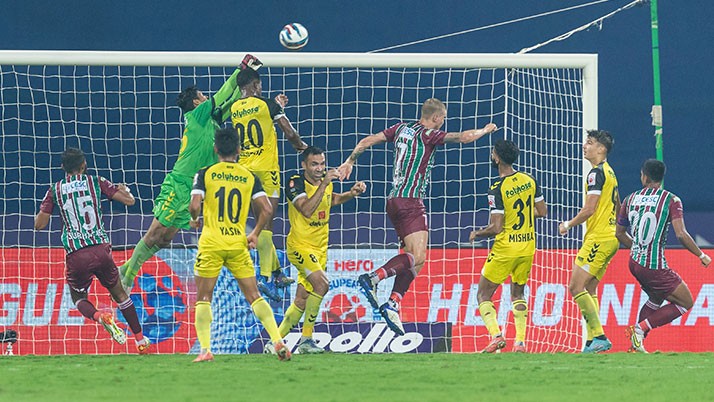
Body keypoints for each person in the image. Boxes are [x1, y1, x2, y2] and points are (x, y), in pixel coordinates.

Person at [338, 98, 497, 335]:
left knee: (415, 259)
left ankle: (393, 302)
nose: (443, 122)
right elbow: (462, 137)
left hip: (393, 201)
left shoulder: (401, 128)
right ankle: (373, 278)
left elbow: (367, 141)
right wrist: (485, 130)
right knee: (419, 256)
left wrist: (349, 161)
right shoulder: (428, 135)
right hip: (411, 202)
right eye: (442, 118)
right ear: (435, 118)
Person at [119, 54, 264, 291]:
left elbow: (230, 100)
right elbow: (223, 94)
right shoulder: (196, 116)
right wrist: (241, 68)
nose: (206, 98)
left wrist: (247, 81)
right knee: (155, 232)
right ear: (197, 103)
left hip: (195, 186)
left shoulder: (211, 121)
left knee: (165, 239)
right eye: (202, 97)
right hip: (179, 183)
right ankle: (125, 277)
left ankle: (126, 269)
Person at [189, 127, 291, 362]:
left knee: (204, 298)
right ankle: (277, 340)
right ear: (239, 150)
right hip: (237, 244)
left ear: (215, 149)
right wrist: (255, 233)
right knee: (254, 295)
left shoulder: (205, 173)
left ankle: (205, 350)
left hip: (212, 243)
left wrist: (195, 220)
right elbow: (266, 209)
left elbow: (195, 205)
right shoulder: (249, 177)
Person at [34, 148, 150, 354]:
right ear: (83, 165)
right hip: (100, 248)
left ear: (62, 167)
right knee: (121, 295)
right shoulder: (96, 181)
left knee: (79, 299)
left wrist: (47, 208)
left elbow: (39, 225)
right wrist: (124, 189)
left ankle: (99, 316)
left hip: (76, 253)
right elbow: (129, 201)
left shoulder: (55, 190)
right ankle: (140, 341)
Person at [270, 146, 366, 354]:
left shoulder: (326, 183)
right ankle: (306, 340)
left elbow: (331, 200)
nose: (319, 168)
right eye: (314, 164)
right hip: (299, 247)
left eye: (322, 164)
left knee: (302, 299)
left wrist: (351, 193)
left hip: (320, 248)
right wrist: (324, 183)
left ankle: (274, 343)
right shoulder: (295, 183)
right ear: (304, 165)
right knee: (322, 284)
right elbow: (305, 209)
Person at [230, 67, 309, 302]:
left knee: (261, 221)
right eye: (259, 85)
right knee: (267, 223)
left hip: (245, 171)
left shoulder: (234, 109)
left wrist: (275, 105)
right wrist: (300, 146)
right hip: (266, 171)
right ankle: (264, 277)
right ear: (255, 85)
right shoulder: (268, 105)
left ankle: (276, 272)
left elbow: (257, 116)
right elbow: (287, 130)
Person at [616, 159, 711, 353]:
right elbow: (682, 234)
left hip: (634, 262)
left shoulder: (629, 199)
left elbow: (619, 233)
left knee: (656, 297)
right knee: (686, 302)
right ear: (661, 177)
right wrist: (700, 254)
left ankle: (635, 346)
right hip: (653, 265)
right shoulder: (671, 200)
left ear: (644, 176)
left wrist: (637, 249)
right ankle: (639, 329)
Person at [469, 140, 547, 353]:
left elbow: (496, 227)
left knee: (483, 294)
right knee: (518, 294)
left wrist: (478, 233)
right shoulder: (529, 179)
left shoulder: (497, 188)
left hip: (505, 248)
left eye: (493, 152)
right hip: (528, 246)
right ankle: (520, 342)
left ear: (497, 158)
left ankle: (496, 336)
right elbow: (542, 211)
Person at [558, 129, 619, 353]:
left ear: (601, 149)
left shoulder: (595, 173)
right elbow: (618, 205)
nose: (585, 146)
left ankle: (600, 336)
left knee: (575, 286)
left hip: (599, 237)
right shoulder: (610, 172)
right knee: (590, 288)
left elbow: (589, 209)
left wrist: (568, 225)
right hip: (610, 237)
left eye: (590, 143)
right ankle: (593, 340)